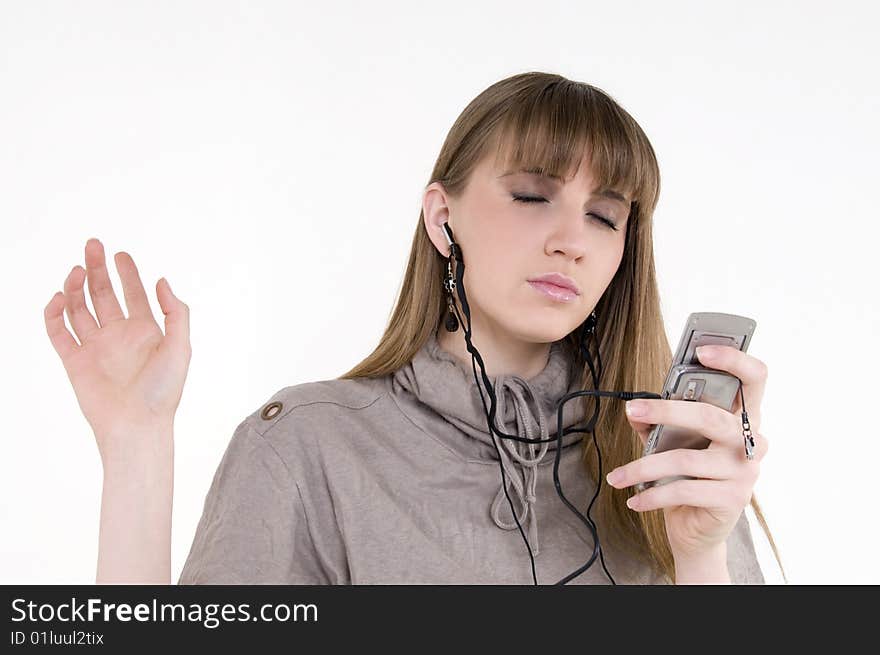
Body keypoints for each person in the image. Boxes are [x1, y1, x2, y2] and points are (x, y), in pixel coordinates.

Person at [44, 71, 784, 585]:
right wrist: (136, 449)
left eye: (604, 215)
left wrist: (700, 553)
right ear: (442, 215)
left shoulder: (672, 464)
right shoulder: (307, 446)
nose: (573, 239)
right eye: (533, 194)